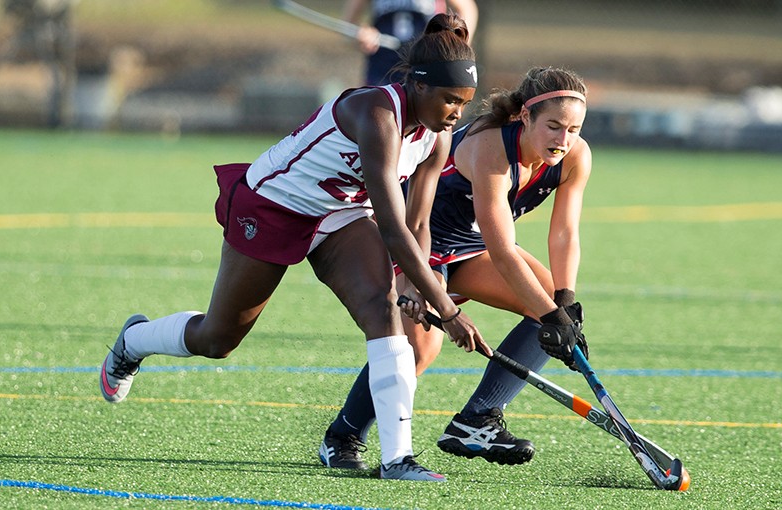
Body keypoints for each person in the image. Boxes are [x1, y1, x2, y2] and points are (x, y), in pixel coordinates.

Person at [99, 13, 489, 483]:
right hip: (274, 205)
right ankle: (132, 342)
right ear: (418, 86)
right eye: (450, 100)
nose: (456, 113)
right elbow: (391, 226)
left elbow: (418, 221)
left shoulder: (439, 138)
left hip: (342, 215)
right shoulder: (376, 113)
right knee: (218, 339)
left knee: (385, 311)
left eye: (464, 103)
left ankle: (397, 458)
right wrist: (448, 308)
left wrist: (414, 283)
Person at [319, 66, 590, 469]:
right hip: (417, 240)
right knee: (418, 349)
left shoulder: (575, 157)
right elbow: (502, 249)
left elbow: (565, 232)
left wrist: (563, 302)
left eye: (573, 129)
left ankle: (476, 420)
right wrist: (553, 316)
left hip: (470, 246)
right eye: (553, 126)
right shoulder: (490, 149)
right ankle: (342, 436)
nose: (563, 140)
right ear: (524, 116)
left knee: (549, 300)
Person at [344, 0, 478, 86]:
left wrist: (455, 46)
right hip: (382, 68)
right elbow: (348, 27)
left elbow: (468, 9)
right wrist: (361, 34)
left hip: (425, 65)